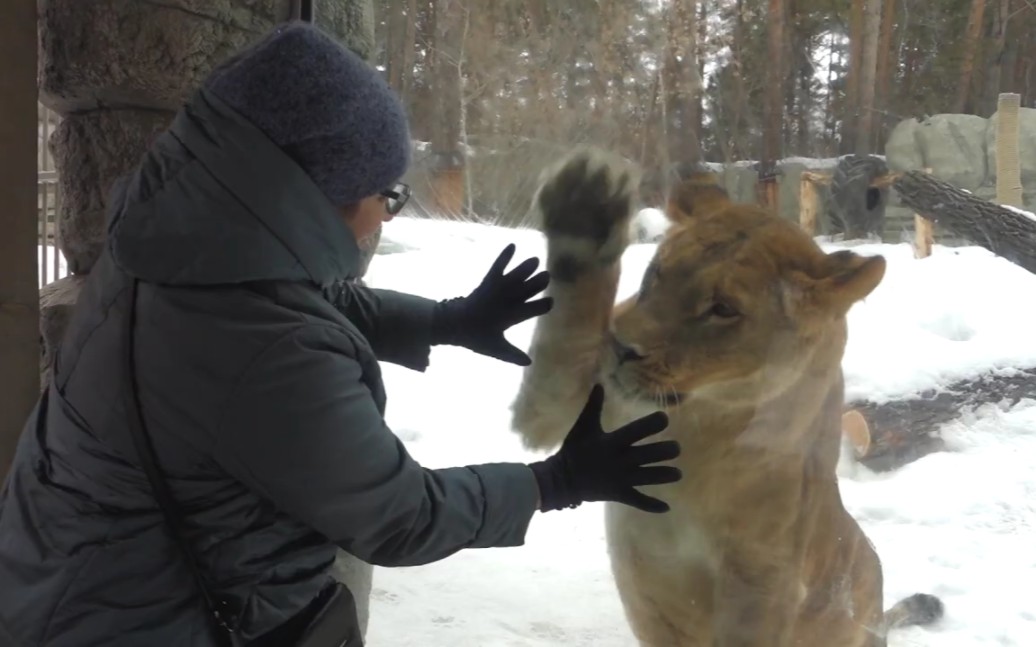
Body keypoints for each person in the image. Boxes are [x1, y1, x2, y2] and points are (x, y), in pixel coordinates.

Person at [0, 22, 682, 647]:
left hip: (68, 571)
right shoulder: (265, 353)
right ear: (321, 194)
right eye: (387, 194)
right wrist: (554, 481)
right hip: (147, 618)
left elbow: (277, 304)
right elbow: (397, 512)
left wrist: (444, 319)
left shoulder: (164, 242)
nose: (386, 216)